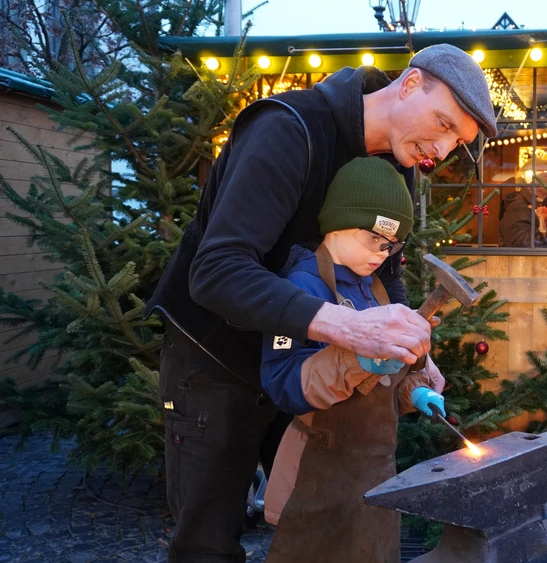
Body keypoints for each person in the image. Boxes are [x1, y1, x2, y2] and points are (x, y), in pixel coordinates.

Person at [144, 43, 496, 563]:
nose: (441, 150)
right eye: (443, 124)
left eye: (457, 142)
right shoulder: (287, 130)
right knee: (207, 545)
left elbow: (386, 273)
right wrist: (348, 329)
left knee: (318, 528)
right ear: (409, 84)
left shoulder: (397, 163)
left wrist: (412, 350)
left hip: (304, 369)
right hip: (216, 363)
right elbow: (217, 271)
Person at [259, 158, 446, 562]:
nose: (382, 254)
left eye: (392, 246)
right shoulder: (300, 289)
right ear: (337, 223)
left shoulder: (373, 289)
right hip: (317, 473)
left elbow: (383, 382)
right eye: (374, 239)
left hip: (372, 473)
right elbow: (284, 385)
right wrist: (357, 360)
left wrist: (414, 390)